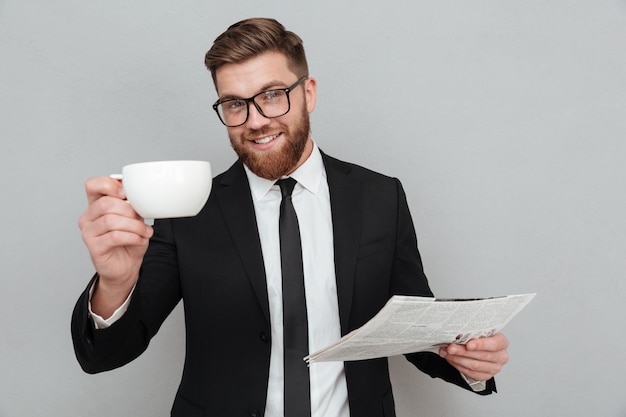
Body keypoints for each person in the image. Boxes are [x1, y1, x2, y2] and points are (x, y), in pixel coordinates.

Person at [72, 17, 509, 417]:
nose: (255, 121)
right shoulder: (190, 210)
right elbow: (106, 354)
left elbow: (412, 331)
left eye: (272, 96)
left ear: (309, 92)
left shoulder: (380, 197)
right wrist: (115, 283)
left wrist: (472, 362)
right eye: (234, 104)